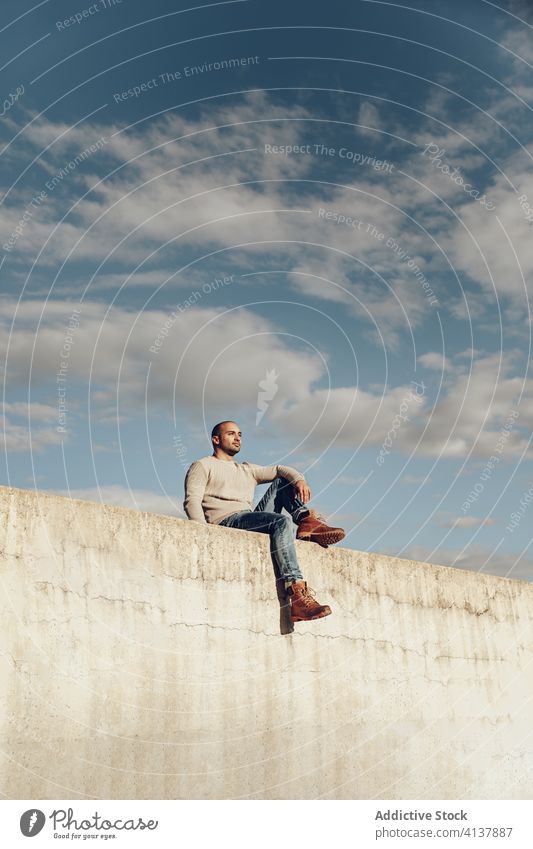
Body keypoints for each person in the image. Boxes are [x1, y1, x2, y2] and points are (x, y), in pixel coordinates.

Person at [183, 420, 345, 622]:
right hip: (226, 522)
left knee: (283, 481)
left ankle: (306, 521)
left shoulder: (246, 469)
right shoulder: (203, 465)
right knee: (281, 522)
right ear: (216, 439)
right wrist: (203, 534)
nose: (237, 438)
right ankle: (296, 592)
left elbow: (279, 469)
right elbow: (192, 501)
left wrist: (299, 480)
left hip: (248, 518)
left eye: (240, 434)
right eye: (231, 434)